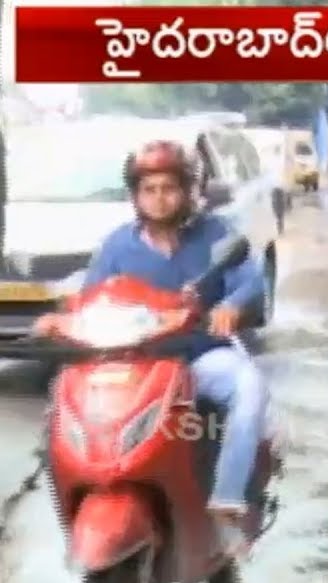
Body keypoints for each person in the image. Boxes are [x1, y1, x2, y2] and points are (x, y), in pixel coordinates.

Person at [32, 139, 269, 554]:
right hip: (135, 364)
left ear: (187, 190)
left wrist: (230, 307)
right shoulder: (117, 246)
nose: (159, 199)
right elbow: (92, 297)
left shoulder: (216, 235)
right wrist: (61, 319)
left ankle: (227, 502)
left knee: (249, 387)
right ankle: (78, 503)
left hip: (198, 357)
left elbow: (249, 281)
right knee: (59, 408)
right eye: (149, 189)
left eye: (169, 188)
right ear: (136, 195)